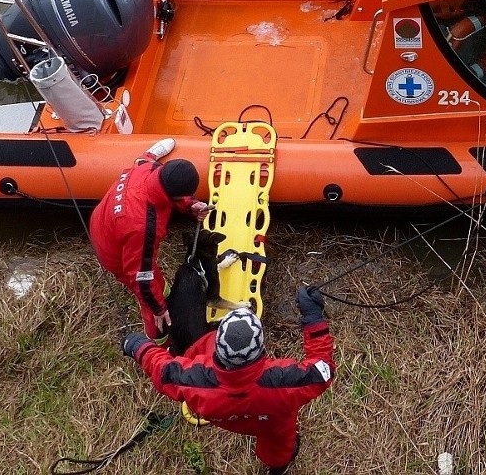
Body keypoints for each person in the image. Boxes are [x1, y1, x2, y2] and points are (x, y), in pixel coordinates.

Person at [122, 286, 334, 475]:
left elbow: (163, 370)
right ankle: (278, 466)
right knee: (279, 448)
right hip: (273, 423)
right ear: (261, 350)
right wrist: (313, 318)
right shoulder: (284, 381)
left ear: (219, 350)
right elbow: (323, 369)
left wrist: (140, 347)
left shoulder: (194, 381)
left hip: (226, 419)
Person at [90, 138, 210, 344]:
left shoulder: (146, 169)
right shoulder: (143, 226)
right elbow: (140, 277)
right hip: (113, 250)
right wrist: (159, 308)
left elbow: (147, 158)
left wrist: (190, 205)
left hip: (103, 222)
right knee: (154, 298)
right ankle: (160, 343)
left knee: (157, 287)